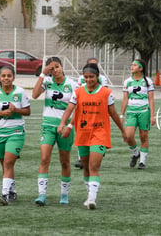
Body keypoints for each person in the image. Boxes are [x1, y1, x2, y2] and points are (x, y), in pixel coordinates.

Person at [58, 63, 126, 209]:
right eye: (86, 77)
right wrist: (63, 124)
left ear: (97, 77)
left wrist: (123, 130)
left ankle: (91, 199)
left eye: (92, 77)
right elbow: (70, 109)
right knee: (86, 166)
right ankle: (89, 192)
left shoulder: (106, 93)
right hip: (83, 133)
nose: (89, 80)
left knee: (94, 165)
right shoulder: (78, 92)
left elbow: (113, 114)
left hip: (99, 133)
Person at [32, 57, 79, 206]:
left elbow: (78, 107)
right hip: (48, 125)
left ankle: (64, 195)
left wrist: (70, 125)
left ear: (62, 66)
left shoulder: (72, 84)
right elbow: (34, 95)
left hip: (65, 127)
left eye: (57, 67)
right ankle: (42, 195)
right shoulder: (47, 81)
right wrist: (42, 74)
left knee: (64, 161)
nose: (55, 70)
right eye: (52, 68)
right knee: (44, 158)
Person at [0, 66, 31, 205]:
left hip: (16, 132)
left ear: (13, 77)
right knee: (4, 165)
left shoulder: (20, 92)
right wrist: (2, 113)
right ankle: (12, 189)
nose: (6, 78)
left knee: (8, 162)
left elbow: (27, 112)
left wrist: (15, 109)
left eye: (9, 76)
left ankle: (4, 195)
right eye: (3, 76)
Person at [120, 59, 155, 169]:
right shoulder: (127, 82)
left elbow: (151, 99)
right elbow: (125, 99)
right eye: (132, 65)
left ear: (141, 68)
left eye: (135, 65)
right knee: (128, 135)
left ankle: (142, 162)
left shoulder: (148, 81)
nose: (132, 67)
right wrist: (121, 114)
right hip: (131, 111)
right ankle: (135, 153)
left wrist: (152, 116)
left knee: (143, 136)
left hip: (144, 111)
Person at [75, 57, 109, 169]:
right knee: (82, 133)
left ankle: (98, 149)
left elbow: (105, 96)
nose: (88, 79)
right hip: (83, 109)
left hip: (97, 110)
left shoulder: (103, 80)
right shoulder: (80, 80)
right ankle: (81, 158)